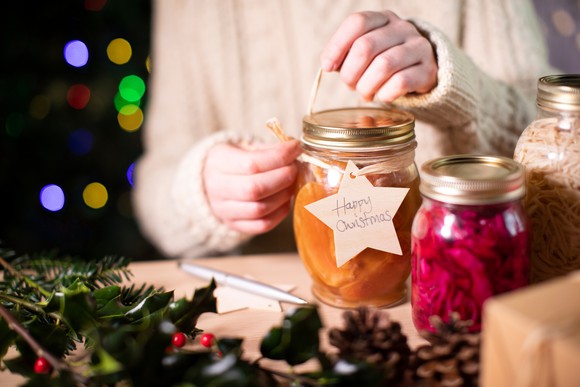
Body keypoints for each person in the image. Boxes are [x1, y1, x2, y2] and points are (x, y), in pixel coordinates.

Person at [133, 0, 556, 260]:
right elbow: (155, 188)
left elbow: (553, 146)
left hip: (453, 284)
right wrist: (198, 191)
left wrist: (454, 85)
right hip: (279, 304)